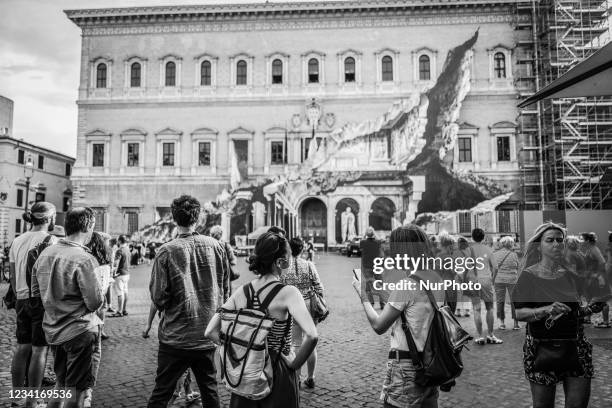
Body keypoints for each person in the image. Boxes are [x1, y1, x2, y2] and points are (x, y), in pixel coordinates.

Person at [205, 229, 318, 407]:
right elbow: (312, 335)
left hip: (245, 369)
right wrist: (294, 365)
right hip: (277, 369)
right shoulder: (288, 293)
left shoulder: (242, 291)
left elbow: (210, 331)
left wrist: (236, 349)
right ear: (280, 262)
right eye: (288, 258)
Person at [147, 195, 230, 408]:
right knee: (210, 392)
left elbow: (158, 297)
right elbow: (226, 291)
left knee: (161, 393)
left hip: (176, 337)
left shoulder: (166, 251)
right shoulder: (216, 247)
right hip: (206, 334)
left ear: (175, 219)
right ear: (198, 217)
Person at [513, 222, 606, 408]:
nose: (556, 244)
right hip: (541, 348)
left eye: (559, 240)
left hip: (576, 346)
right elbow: (519, 313)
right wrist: (546, 310)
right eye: (550, 240)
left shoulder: (571, 274)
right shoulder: (528, 276)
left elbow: (592, 299)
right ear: (539, 245)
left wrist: (594, 302)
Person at [352, 224, 443, 408]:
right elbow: (416, 312)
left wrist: (362, 294)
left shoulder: (406, 285)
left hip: (407, 367)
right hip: (431, 363)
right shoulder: (435, 278)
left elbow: (379, 325)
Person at [32, 207, 104, 408]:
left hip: (53, 329)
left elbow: (36, 292)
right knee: (76, 391)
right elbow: (95, 302)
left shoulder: (45, 253)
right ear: (89, 226)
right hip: (79, 330)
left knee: (61, 384)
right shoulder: (85, 259)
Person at [8, 202, 57, 408]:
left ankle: (17, 398)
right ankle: (32, 400)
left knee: (21, 347)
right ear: (49, 218)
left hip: (21, 298)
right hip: (40, 300)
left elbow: (11, 275)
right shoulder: (52, 240)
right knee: (39, 350)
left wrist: (21, 293)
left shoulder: (17, 240)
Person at [280, 236, 324, 389]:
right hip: (309, 305)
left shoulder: (284, 268)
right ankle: (311, 377)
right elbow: (320, 288)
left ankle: (297, 379)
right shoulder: (309, 265)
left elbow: (280, 288)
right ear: (302, 249)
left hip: (293, 306)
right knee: (310, 341)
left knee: (296, 342)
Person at [83, 232, 113, 408]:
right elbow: (101, 293)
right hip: (93, 315)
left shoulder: (82, 260)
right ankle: (87, 393)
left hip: (74, 315)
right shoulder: (104, 265)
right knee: (94, 353)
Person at [469, 228, 501, 345]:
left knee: (476, 309)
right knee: (490, 308)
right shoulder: (488, 249)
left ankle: (480, 336)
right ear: (483, 237)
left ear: (472, 237)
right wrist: (492, 279)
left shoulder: (469, 250)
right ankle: (491, 335)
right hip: (486, 280)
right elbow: (496, 267)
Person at [581, 232, 609, 328]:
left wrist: (599, 276)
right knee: (590, 297)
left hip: (597, 277)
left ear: (587, 240)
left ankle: (606, 322)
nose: (581, 241)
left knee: (602, 300)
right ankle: (587, 319)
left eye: (582, 239)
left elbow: (602, 262)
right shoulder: (589, 249)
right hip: (591, 277)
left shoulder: (594, 249)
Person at [493, 236, 520, 331]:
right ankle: (516, 323)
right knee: (514, 301)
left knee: (500, 301)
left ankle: (502, 323)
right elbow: (517, 267)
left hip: (499, 280)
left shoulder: (495, 254)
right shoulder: (514, 255)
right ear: (511, 244)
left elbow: (494, 269)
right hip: (512, 280)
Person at [360, 227, 385, 309]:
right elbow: (380, 246)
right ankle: (382, 303)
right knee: (380, 284)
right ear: (373, 234)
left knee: (368, 285)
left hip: (367, 266)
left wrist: (364, 235)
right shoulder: (378, 242)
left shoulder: (363, 242)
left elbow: (361, 247)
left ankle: (371, 303)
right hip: (377, 266)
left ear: (366, 234)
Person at [210, 225, 239, 289]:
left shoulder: (208, 245)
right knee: (226, 292)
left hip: (212, 273)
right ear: (221, 234)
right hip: (225, 273)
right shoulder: (225, 245)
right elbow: (233, 261)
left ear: (211, 234)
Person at [110, 235, 130, 317]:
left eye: (118, 240)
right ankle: (124, 310)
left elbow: (116, 263)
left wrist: (113, 272)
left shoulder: (120, 250)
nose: (117, 242)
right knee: (125, 292)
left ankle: (119, 311)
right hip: (127, 273)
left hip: (120, 273)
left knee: (119, 293)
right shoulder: (128, 249)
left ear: (120, 241)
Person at [451, 237, 471, 317]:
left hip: (457, 273)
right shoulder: (469, 251)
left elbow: (453, 264)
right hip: (467, 273)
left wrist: (454, 272)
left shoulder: (455, 252)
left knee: (458, 293)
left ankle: (458, 311)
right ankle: (467, 311)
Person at [438, 233, 458, 314]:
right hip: (450, 287)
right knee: (450, 312)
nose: (454, 247)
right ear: (449, 246)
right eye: (453, 245)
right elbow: (454, 272)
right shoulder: (449, 258)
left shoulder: (438, 257)